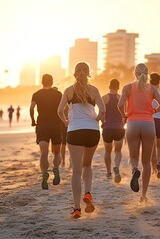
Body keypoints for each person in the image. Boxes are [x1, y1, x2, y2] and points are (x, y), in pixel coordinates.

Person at [57, 62, 105, 219]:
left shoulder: (69, 91)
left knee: (76, 171)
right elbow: (103, 110)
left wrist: (65, 121)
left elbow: (59, 110)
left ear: (75, 74)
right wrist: (95, 120)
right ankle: (88, 193)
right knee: (87, 165)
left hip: (75, 131)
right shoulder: (94, 90)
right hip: (92, 131)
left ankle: (77, 209)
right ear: (88, 74)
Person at [117, 63, 160, 202]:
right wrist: (154, 111)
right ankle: (143, 195)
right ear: (147, 74)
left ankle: (134, 170)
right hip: (149, 123)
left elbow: (119, 105)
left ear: (134, 73)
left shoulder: (127, 87)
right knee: (147, 162)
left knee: (133, 158)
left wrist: (124, 115)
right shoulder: (152, 89)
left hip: (132, 123)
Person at [30, 74, 63, 190]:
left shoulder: (37, 94)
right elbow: (64, 108)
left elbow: (32, 108)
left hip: (42, 125)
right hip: (55, 124)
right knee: (57, 152)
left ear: (42, 82)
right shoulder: (58, 94)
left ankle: (44, 172)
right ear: (52, 81)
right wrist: (63, 120)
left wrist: (33, 120)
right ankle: (56, 168)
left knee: (44, 151)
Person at [101, 79, 125, 183]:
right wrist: (123, 123)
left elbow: (102, 112)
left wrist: (103, 122)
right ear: (118, 87)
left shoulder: (104, 98)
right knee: (118, 151)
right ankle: (116, 166)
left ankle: (108, 173)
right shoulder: (121, 98)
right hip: (119, 127)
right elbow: (125, 113)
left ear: (109, 86)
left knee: (107, 151)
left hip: (108, 128)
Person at [149, 73, 160, 179]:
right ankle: (159, 164)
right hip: (159, 121)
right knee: (159, 146)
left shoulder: (147, 93)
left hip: (149, 121)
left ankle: (153, 169)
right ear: (159, 82)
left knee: (151, 147)